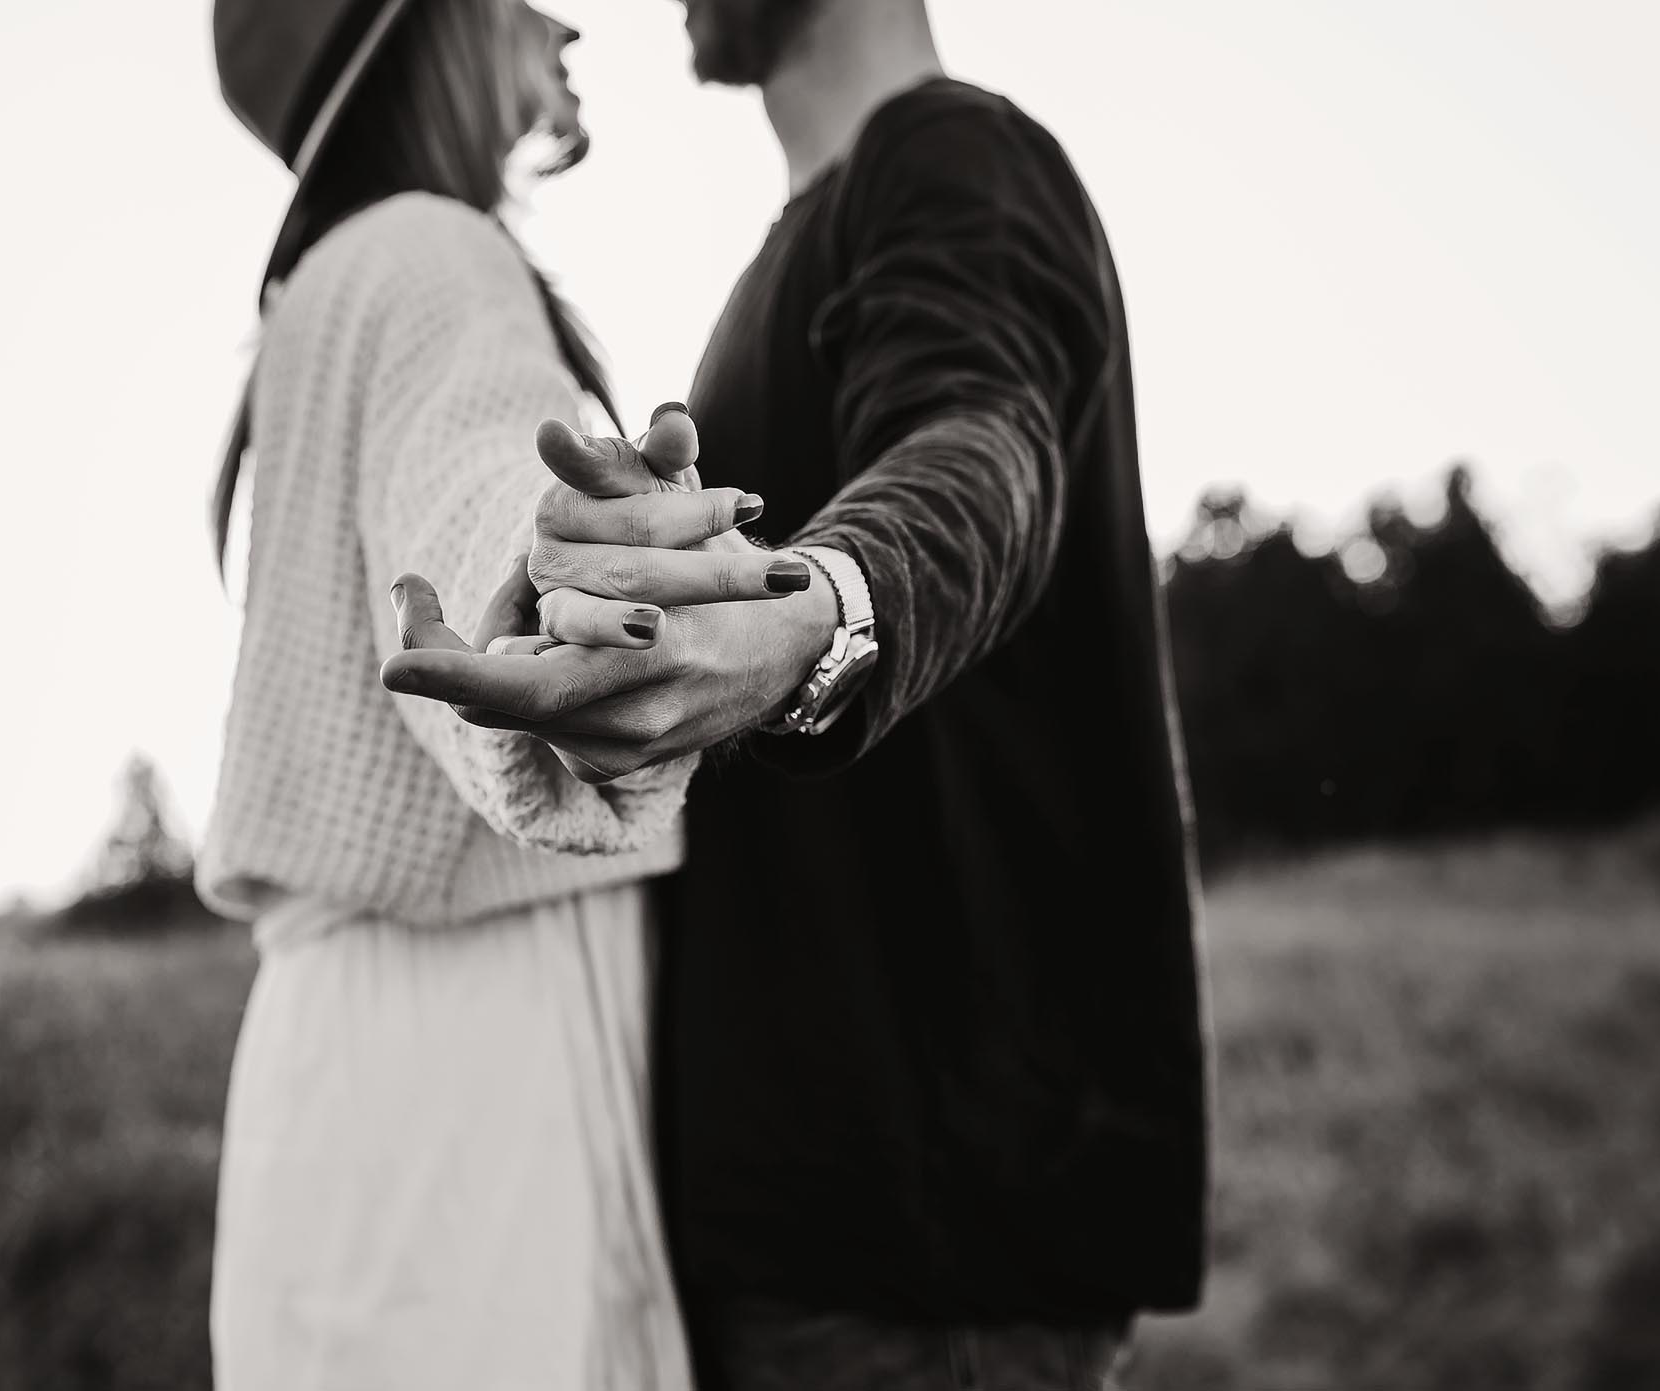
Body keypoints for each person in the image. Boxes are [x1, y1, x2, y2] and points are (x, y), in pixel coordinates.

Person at [383, 1, 1211, 1386]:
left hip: (928, 1240)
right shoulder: (786, 255)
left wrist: (815, 617)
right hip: (818, 1218)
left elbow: (985, 447)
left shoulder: (958, 162)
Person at [195, 1, 809, 1386]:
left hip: (348, 1096)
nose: (567, 16)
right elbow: (471, 493)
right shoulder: (431, 255)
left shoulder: (325, 289)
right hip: (468, 1097)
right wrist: (551, 596)